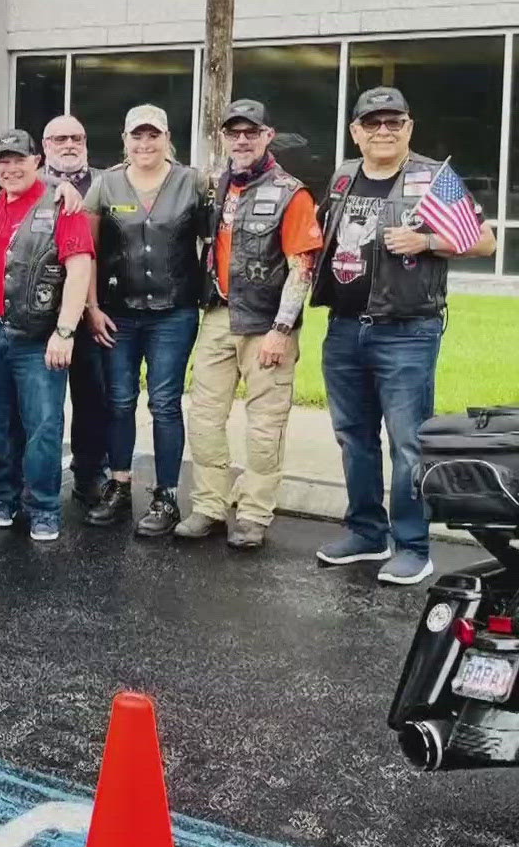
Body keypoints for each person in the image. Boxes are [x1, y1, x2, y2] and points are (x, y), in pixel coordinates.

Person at [312, 86, 496, 584]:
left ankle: (414, 546)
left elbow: (484, 239)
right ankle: (366, 533)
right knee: (354, 438)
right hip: (344, 329)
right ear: (356, 132)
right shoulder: (344, 175)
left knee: (408, 444)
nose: (384, 131)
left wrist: (427, 240)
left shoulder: (433, 177)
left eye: (394, 122)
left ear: (409, 128)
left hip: (407, 332)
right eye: (372, 123)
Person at [177, 98, 323, 550]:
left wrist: (282, 329)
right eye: (233, 133)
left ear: (267, 136)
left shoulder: (290, 192)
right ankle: (208, 507)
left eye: (250, 132)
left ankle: (255, 514)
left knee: (264, 427)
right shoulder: (216, 186)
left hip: (266, 325)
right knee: (203, 419)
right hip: (218, 316)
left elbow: (303, 266)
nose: (242, 140)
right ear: (224, 137)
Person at [81, 105, 207, 537]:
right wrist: (92, 307)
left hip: (174, 313)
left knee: (165, 402)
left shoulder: (193, 182)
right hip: (118, 313)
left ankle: (166, 495)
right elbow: (88, 251)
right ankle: (118, 486)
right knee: (118, 400)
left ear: (167, 137)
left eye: (153, 136)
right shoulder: (106, 183)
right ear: (125, 139)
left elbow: (214, 240)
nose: (145, 144)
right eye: (137, 136)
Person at [0, 129, 95, 541]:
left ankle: (44, 507)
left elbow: (79, 268)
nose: (10, 168)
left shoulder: (62, 205)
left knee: (43, 423)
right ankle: (2, 497)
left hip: (39, 336)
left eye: (18, 160)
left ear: (37, 161)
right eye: (2, 161)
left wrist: (65, 331)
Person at [41, 114, 110, 509]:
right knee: (38, 408)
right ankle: (32, 480)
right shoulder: (28, 183)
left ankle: (89, 475)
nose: (69, 144)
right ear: (45, 145)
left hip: (92, 314)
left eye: (77, 137)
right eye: (60, 138)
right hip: (41, 315)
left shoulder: (106, 182)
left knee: (92, 400)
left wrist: (93, 306)